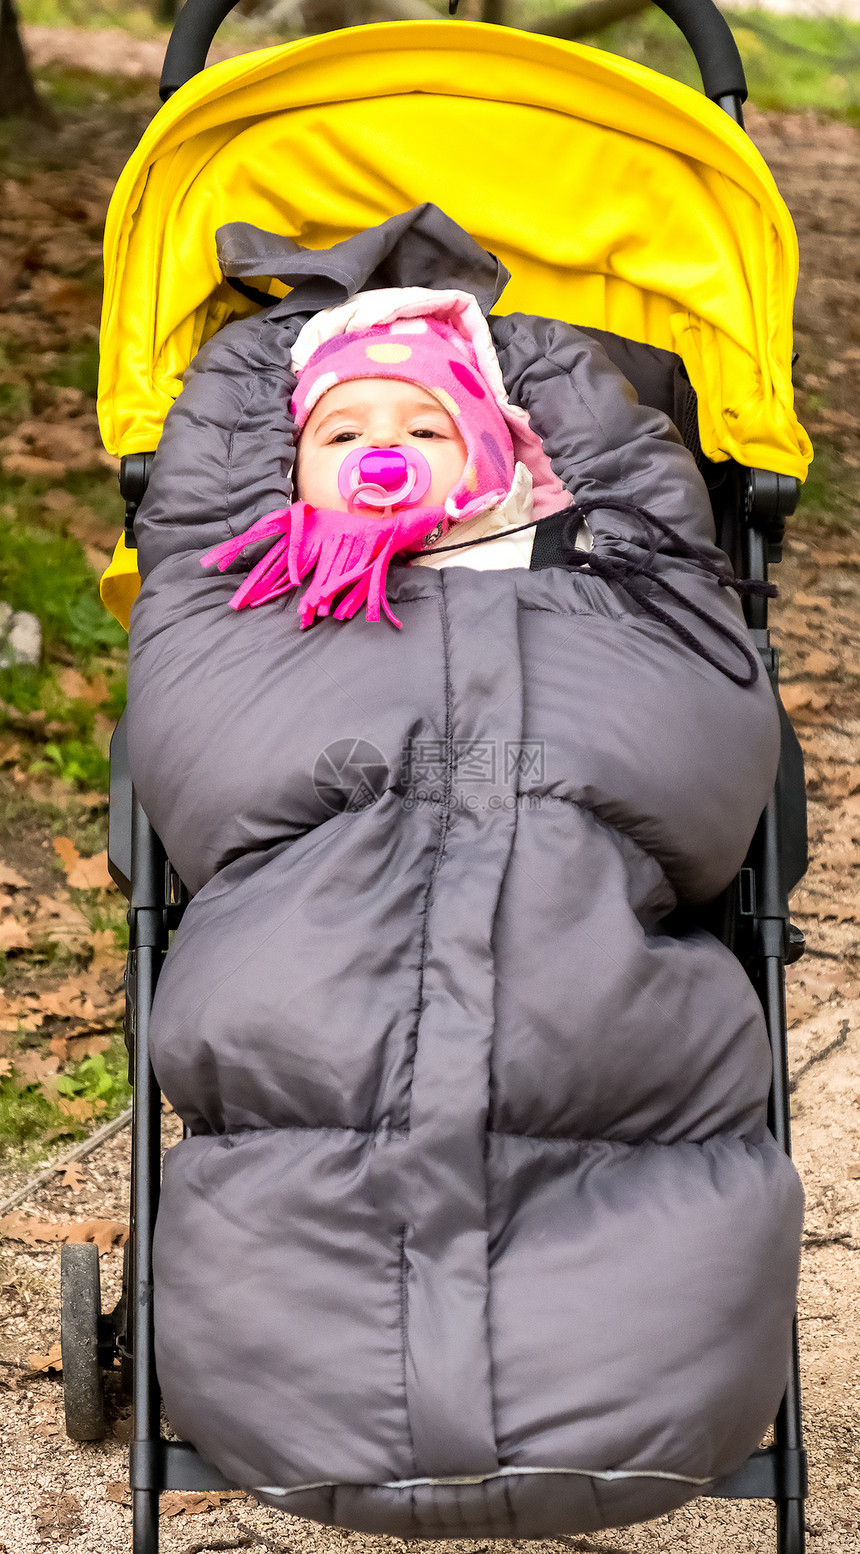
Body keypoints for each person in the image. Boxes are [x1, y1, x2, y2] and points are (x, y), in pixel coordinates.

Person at [200, 289, 567, 626]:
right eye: (344, 435)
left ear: (488, 466)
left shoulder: (550, 549)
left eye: (424, 432)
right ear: (294, 479)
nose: (382, 440)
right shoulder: (273, 571)